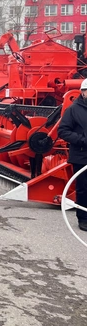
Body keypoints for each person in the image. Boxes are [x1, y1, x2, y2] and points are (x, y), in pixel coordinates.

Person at [58, 78, 87, 231]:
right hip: (81, 156)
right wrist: (83, 140)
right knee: (83, 188)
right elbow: (63, 131)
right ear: (82, 92)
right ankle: (83, 219)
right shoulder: (73, 110)